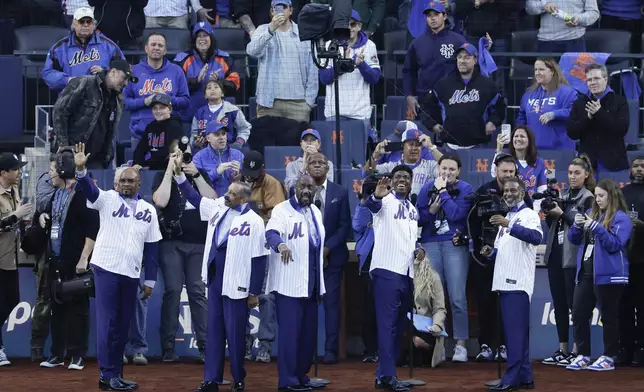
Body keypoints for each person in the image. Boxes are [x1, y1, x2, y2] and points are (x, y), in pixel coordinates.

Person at [172, 155, 268, 392]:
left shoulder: (255, 221)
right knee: (214, 332)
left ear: (244, 198)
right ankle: (211, 379)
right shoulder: (218, 207)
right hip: (215, 279)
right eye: (228, 191)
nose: (227, 195)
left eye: (233, 194)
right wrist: (179, 175)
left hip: (238, 282)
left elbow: (260, 259)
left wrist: (255, 291)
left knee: (235, 336)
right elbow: (194, 198)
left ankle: (238, 379)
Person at [73, 142, 162, 390]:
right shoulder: (108, 200)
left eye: (130, 180)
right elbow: (90, 192)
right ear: (115, 183)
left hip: (131, 273)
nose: (125, 184)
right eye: (122, 180)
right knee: (108, 324)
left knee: (123, 327)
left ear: (139, 184)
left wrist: (151, 280)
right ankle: (106, 375)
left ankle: (116, 374)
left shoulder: (148, 211)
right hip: (106, 269)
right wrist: (81, 171)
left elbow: (152, 247)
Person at [37, 149, 98, 371]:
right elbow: (55, 218)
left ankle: (77, 355)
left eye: (53, 170)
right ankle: (56, 353)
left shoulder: (83, 193)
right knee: (57, 308)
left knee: (78, 309)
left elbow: (93, 227)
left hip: (76, 261)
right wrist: (43, 216)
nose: (50, 174)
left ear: (63, 171)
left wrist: (84, 258)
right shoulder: (56, 195)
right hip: (56, 260)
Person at [152, 146, 215, 363]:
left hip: (198, 242)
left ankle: (206, 346)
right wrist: (171, 170)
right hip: (171, 242)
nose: (181, 159)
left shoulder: (201, 174)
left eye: (184, 155)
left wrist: (195, 174)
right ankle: (168, 346)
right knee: (173, 291)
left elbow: (212, 201)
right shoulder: (162, 176)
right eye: (176, 155)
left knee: (198, 290)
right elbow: (160, 201)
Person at [468, 154, 532, 363]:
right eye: (504, 171)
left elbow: (530, 225)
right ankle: (486, 345)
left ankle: (505, 346)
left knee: (506, 304)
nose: (507, 176)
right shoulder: (483, 191)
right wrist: (477, 251)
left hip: (511, 258)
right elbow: (472, 222)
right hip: (485, 257)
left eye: (511, 172)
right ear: (495, 170)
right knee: (485, 302)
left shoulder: (522, 195)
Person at [265, 175, 326, 392]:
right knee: (290, 335)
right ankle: (287, 381)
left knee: (307, 336)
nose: (306, 190)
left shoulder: (316, 212)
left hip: (311, 284)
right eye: (302, 186)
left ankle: (301, 375)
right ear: (293, 188)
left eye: (310, 186)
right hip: (288, 284)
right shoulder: (282, 210)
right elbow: (271, 233)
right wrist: (281, 245)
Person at [481, 177, 542, 391]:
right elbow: (500, 248)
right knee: (517, 334)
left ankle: (511, 379)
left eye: (513, 190)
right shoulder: (508, 216)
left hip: (517, 282)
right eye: (505, 190)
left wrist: (509, 225)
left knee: (515, 336)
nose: (508, 193)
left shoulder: (529, 214)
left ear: (523, 191)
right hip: (505, 282)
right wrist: (490, 253)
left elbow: (535, 237)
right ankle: (525, 377)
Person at [567, 179, 633, 372]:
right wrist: (577, 226)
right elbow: (573, 239)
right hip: (586, 273)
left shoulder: (622, 219)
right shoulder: (590, 213)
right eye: (596, 196)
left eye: (601, 196)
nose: (597, 199)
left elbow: (614, 245)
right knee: (579, 314)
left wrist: (596, 227)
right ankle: (583, 354)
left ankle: (609, 356)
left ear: (611, 196)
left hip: (609, 275)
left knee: (609, 316)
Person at [366, 165, 421, 392]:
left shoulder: (413, 209)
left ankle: (385, 375)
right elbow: (371, 205)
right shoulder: (385, 200)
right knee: (387, 326)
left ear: (410, 183)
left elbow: (410, 238)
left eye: (406, 177)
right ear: (391, 181)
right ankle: (389, 376)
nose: (402, 180)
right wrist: (376, 195)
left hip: (407, 272)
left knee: (399, 327)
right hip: (387, 271)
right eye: (397, 176)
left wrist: (418, 248)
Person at [416, 154, 473, 362]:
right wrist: (431, 212)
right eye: (444, 168)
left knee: (457, 296)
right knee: (432, 297)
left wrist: (442, 192)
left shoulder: (466, 188)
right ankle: (435, 345)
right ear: (437, 168)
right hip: (430, 242)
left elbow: (457, 215)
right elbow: (418, 217)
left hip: (454, 243)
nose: (447, 173)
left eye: (452, 169)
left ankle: (460, 344)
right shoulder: (427, 187)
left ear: (458, 171)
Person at [541, 155, 596, 367]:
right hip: (555, 253)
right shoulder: (561, 193)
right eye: (570, 173)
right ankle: (563, 348)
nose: (572, 177)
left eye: (577, 173)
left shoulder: (589, 197)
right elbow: (550, 221)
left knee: (576, 306)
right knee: (560, 304)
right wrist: (549, 212)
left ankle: (577, 350)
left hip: (573, 256)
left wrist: (561, 213)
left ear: (586, 175)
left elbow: (583, 224)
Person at [232, 150, 286, 362]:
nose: (250, 176)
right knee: (240, 295)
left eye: (254, 172)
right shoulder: (238, 181)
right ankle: (244, 341)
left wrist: (252, 216)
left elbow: (276, 216)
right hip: (241, 245)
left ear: (262, 168)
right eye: (248, 171)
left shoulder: (272, 184)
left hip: (263, 247)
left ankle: (265, 344)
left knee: (265, 298)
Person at [304, 152, 351, 365]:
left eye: (321, 163)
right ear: (306, 167)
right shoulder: (299, 192)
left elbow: (344, 226)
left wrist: (328, 248)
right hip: (305, 260)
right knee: (307, 305)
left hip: (331, 260)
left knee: (331, 305)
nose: (317, 166)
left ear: (328, 168)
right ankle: (307, 349)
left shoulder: (339, 192)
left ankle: (330, 350)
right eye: (313, 163)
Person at [52, 59, 135, 168]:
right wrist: (64, 146)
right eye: (124, 78)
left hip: (96, 159)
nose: (126, 83)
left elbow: (110, 130)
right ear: (113, 72)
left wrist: (107, 154)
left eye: (128, 80)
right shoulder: (84, 83)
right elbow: (60, 111)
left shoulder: (118, 99)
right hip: (72, 155)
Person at [246, 0, 319, 123]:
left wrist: (308, 102)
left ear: (290, 10)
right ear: (271, 11)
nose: (280, 11)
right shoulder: (262, 30)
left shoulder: (304, 33)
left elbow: (312, 69)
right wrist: (270, 30)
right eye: (276, 7)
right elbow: (251, 51)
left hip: (298, 104)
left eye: (284, 7)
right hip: (268, 103)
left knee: (296, 142)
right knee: (266, 142)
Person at [424, 42, 505, 149]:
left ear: (475, 60)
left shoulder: (487, 85)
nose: (462, 61)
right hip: (449, 145)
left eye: (467, 57)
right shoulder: (443, 84)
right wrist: (432, 125)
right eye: (460, 57)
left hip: (479, 145)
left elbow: (500, 107)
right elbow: (427, 106)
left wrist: (492, 122)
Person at [124, 32, 190, 149]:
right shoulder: (134, 71)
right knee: (138, 166)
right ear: (146, 48)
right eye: (153, 44)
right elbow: (124, 102)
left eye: (160, 45)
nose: (156, 48)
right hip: (140, 133)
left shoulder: (176, 71)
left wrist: (166, 99)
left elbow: (185, 101)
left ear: (165, 50)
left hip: (169, 133)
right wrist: (145, 101)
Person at [319, 9, 381, 129]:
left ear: (359, 26)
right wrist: (345, 64)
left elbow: (375, 78)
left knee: (358, 148)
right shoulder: (329, 46)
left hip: (360, 113)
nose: (349, 28)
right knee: (333, 148)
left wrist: (361, 65)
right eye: (345, 24)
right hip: (335, 112)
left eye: (352, 24)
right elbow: (324, 78)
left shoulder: (369, 46)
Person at [42, 7, 125, 91]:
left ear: (93, 25)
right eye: (81, 21)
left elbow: (124, 70)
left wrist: (106, 75)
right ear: (74, 24)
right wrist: (67, 80)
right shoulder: (59, 48)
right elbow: (48, 74)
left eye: (88, 22)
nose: (85, 25)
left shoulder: (109, 46)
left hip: (102, 99)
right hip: (72, 98)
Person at [567, 63, 630, 175]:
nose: (593, 82)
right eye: (589, 80)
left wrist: (600, 113)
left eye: (596, 78)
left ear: (605, 80)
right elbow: (572, 133)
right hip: (587, 164)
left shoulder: (620, 101)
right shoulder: (579, 103)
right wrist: (588, 117)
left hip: (613, 164)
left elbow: (621, 129)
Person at [0, 153, 32, 367]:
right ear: (3, 173)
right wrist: (15, 215)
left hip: (10, 258)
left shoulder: (15, 191)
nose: (19, 171)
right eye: (15, 169)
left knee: (12, 301)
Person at [174, 21, 241, 122]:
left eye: (205, 35)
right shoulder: (182, 59)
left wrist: (220, 82)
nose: (202, 39)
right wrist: (196, 80)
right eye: (198, 36)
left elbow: (235, 85)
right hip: (189, 119)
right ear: (194, 40)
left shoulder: (224, 58)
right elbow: (175, 86)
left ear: (211, 38)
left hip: (218, 120)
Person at [516, 58, 578, 150]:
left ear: (552, 71)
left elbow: (574, 112)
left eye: (541, 69)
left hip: (560, 150)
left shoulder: (568, 92)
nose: (537, 73)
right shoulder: (529, 94)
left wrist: (554, 114)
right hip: (533, 150)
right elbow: (521, 118)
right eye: (536, 70)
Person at [618, 156, 644, 366]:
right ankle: (625, 348)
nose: (639, 169)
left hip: (643, 260)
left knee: (642, 308)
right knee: (623, 307)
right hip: (624, 260)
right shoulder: (623, 193)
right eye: (635, 166)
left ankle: (641, 351)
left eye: (643, 166)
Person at [365, 129, 442, 197]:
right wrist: (376, 154)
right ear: (403, 146)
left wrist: (431, 147)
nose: (414, 148)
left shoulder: (430, 166)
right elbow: (367, 172)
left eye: (418, 145)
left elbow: (449, 166)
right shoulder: (393, 166)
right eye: (411, 144)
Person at [352, 179, 378, 362]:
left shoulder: (389, 205)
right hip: (368, 261)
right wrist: (364, 202)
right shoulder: (363, 207)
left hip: (387, 260)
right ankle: (370, 350)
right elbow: (357, 226)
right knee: (368, 309)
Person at [191, 80, 251, 153]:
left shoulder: (233, 110)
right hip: (205, 151)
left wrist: (238, 143)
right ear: (205, 95)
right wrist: (195, 143)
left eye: (216, 87)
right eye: (209, 88)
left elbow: (245, 128)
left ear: (222, 93)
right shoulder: (199, 113)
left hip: (228, 150)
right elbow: (194, 134)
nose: (212, 89)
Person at [411, 253, 447, 368]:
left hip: (426, 326)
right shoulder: (399, 276)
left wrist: (436, 325)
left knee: (419, 341)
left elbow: (440, 308)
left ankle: (429, 347)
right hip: (405, 325)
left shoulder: (432, 276)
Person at [492, 125, 548, 199]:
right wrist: (499, 150)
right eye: (516, 136)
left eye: (522, 136)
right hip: (509, 204)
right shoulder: (506, 158)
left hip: (532, 206)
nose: (518, 139)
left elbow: (542, 189)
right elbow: (494, 174)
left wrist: (535, 209)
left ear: (529, 140)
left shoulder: (539, 162)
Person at [193, 122, 245, 196]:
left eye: (223, 134)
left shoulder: (238, 155)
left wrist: (238, 175)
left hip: (234, 201)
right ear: (208, 138)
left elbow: (247, 182)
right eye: (217, 134)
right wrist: (216, 172)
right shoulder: (198, 158)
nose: (222, 137)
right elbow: (198, 183)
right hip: (210, 201)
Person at [132, 94, 183, 170]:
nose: (158, 111)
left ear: (170, 109)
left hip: (169, 169)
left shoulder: (175, 126)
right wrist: (137, 163)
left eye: (162, 108)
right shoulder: (151, 126)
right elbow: (140, 149)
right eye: (155, 108)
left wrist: (148, 165)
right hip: (153, 168)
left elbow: (169, 154)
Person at [526, 0, 599, 52]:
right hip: (546, 41)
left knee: (574, 74)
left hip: (575, 40)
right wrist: (543, 5)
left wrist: (579, 19)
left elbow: (593, 13)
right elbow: (529, 8)